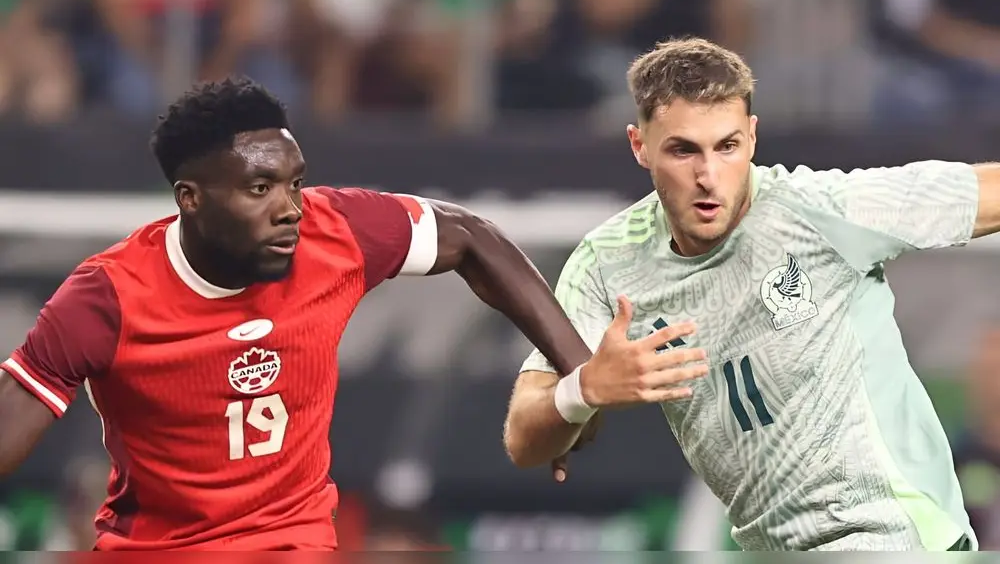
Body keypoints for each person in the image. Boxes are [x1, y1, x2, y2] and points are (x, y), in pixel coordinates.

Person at [0, 77, 702, 550]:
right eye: (260, 187)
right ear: (191, 198)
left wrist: (574, 369)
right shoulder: (108, 298)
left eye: (295, 181)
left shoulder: (334, 234)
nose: (289, 206)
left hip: (294, 546)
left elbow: (471, 239)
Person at [503, 36, 1000, 551]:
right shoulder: (607, 264)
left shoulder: (819, 211)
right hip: (770, 550)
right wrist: (584, 388)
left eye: (727, 146)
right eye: (682, 150)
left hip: (895, 537)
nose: (708, 177)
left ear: (753, 138)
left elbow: (986, 193)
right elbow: (523, 439)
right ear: (640, 146)